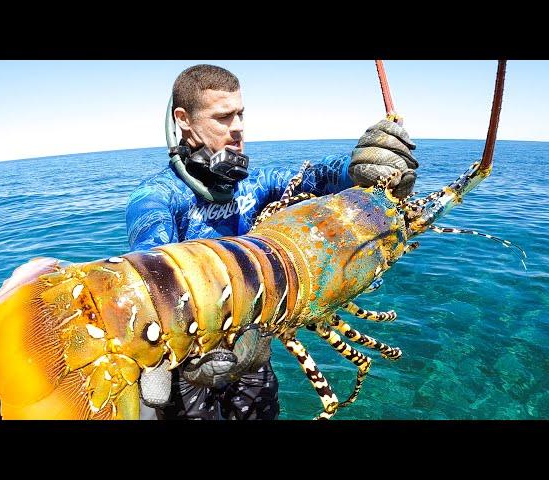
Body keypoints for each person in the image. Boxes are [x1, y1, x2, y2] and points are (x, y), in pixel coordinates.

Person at [125, 64, 418, 420]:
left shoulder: (254, 186)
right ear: (183, 120)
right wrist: (181, 360)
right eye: (223, 117)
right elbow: (151, 271)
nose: (237, 128)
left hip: (254, 347)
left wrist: (364, 164)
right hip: (192, 363)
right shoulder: (158, 197)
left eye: (240, 115)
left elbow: (312, 177)